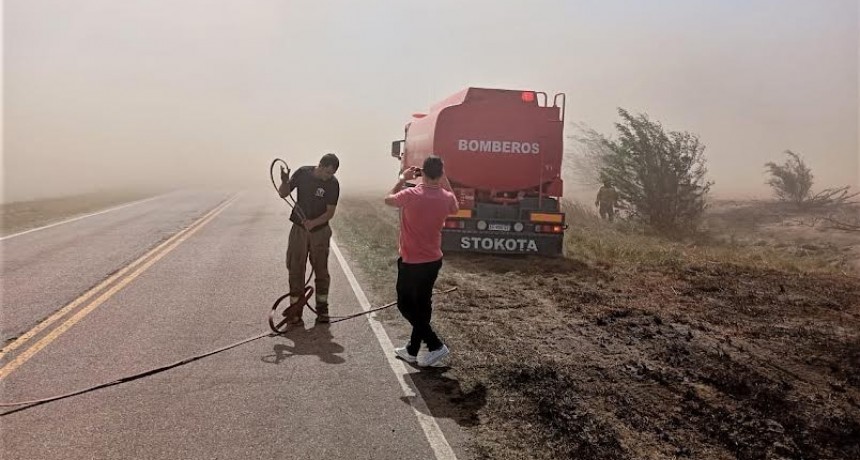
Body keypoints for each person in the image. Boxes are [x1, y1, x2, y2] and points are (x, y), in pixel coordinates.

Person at [384, 155, 459, 367]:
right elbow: (455, 207)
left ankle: (435, 344)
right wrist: (444, 180)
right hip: (433, 259)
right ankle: (412, 349)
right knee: (423, 305)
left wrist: (402, 177)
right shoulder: (446, 198)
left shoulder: (411, 194)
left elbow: (387, 199)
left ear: (422, 173)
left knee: (405, 304)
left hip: (412, 260)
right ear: (440, 174)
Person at [278, 153, 340, 324]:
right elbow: (283, 194)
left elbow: (330, 212)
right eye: (327, 172)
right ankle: (296, 312)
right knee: (295, 269)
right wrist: (284, 181)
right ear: (319, 166)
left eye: (332, 174)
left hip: (319, 232)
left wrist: (313, 223)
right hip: (299, 230)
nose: (329, 177)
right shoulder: (302, 173)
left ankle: (322, 310)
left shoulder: (333, 184)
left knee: (321, 271)